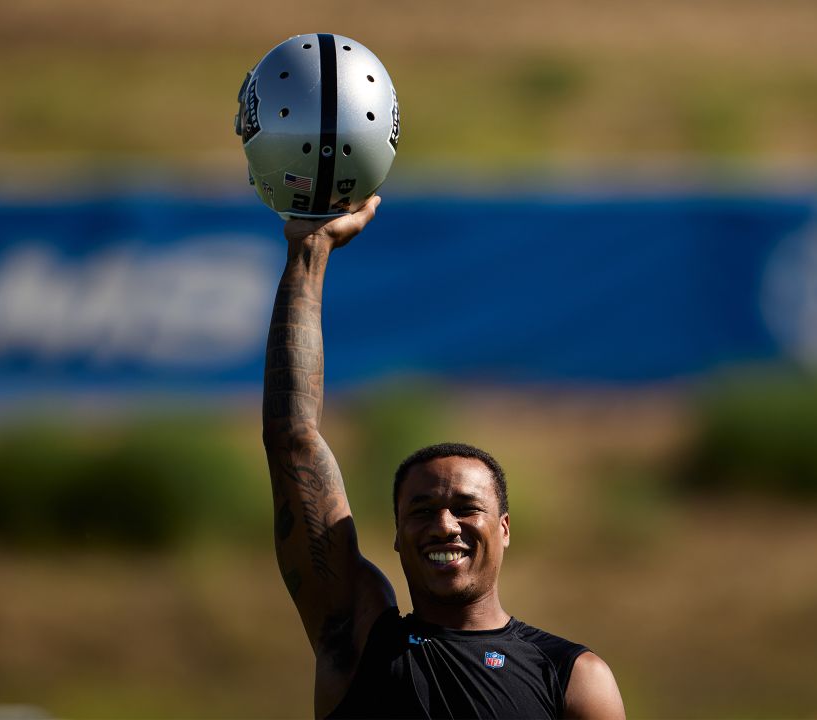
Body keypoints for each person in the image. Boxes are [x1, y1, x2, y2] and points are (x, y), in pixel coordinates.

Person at [262, 196, 626, 718]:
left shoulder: (571, 676)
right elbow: (291, 438)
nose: (444, 524)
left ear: (503, 527)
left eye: (465, 507)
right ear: (395, 533)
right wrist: (311, 248)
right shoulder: (360, 639)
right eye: (421, 509)